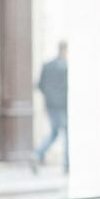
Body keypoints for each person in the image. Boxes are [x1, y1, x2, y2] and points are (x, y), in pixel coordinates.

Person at [35, 41, 68, 172]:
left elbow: (40, 85)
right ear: (64, 50)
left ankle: (38, 153)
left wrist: (50, 98)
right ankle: (67, 164)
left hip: (50, 105)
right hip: (63, 106)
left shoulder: (47, 66)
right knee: (66, 134)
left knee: (54, 133)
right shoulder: (65, 67)